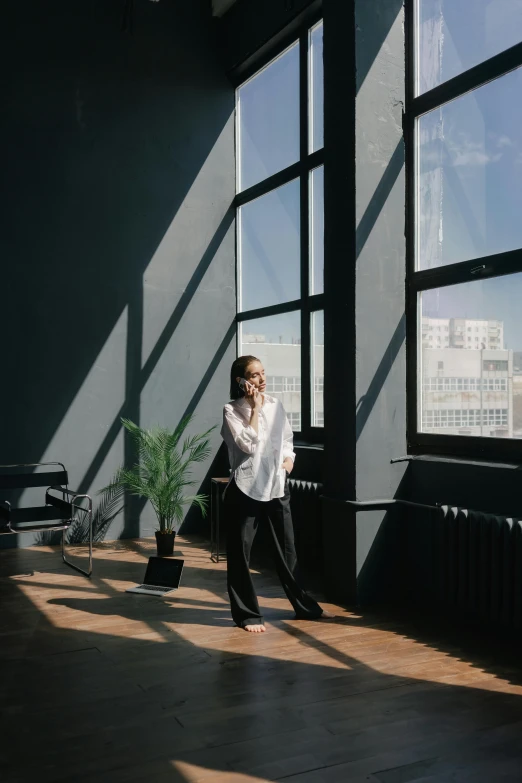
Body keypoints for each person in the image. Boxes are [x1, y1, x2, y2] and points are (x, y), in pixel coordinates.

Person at [221, 355, 333, 633]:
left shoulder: (276, 405)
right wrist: (255, 410)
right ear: (241, 380)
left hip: (276, 486)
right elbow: (247, 444)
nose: (262, 379)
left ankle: (305, 607)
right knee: (240, 556)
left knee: (288, 552)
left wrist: (288, 461)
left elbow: (285, 439)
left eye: (263, 373)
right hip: (245, 489)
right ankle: (247, 615)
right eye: (255, 375)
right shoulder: (231, 410)